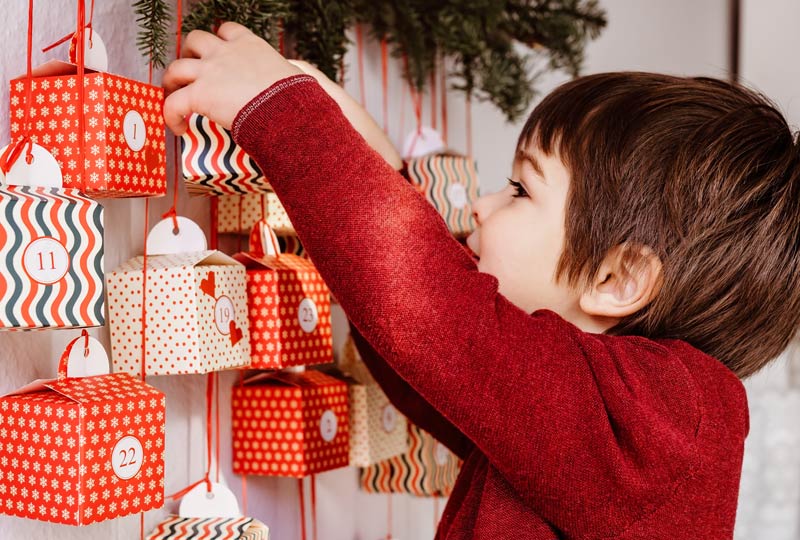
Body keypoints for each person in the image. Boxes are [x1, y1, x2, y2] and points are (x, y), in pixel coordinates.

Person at [163, 22, 800, 539]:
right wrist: (379, 172)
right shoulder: (586, 416)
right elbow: (438, 366)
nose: (483, 206)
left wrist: (281, 114)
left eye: (520, 189)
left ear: (618, 278)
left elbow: (440, 319)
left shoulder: (665, 422)